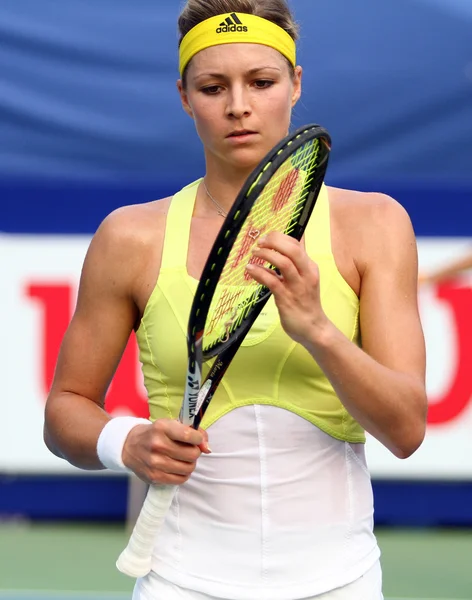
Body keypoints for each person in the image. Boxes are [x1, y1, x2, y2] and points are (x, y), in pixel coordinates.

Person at [43, 1, 428, 598]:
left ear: (296, 84)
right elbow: (65, 410)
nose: (238, 106)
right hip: (178, 580)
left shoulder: (375, 225)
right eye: (213, 87)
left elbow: (405, 429)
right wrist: (126, 441)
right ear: (184, 96)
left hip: (341, 580)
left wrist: (317, 329)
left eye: (262, 82)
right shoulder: (129, 237)